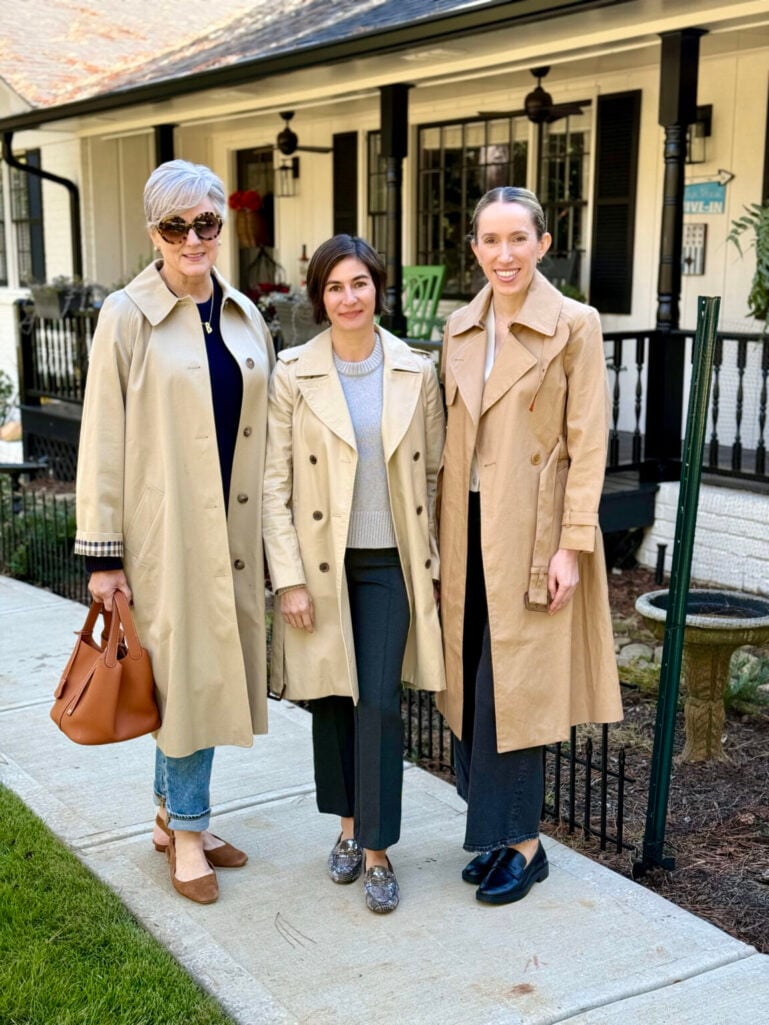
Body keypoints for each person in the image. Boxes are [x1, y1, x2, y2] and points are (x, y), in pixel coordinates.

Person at [74, 159, 275, 905]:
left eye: (207, 223)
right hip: (164, 535)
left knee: (204, 677)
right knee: (188, 681)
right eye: (176, 225)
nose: (193, 238)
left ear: (221, 227)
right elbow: (99, 437)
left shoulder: (243, 312)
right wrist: (103, 555)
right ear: (153, 231)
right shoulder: (126, 315)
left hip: (234, 529)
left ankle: (169, 816)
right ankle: (187, 832)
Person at [437, 186, 623, 905]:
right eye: (490, 239)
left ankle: (524, 844)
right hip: (464, 528)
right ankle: (493, 832)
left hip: (533, 531)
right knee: (469, 682)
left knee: (512, 688)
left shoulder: (573, 324)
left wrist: (571, 545)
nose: (503, 254)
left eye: (518, 238)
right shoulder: (458, 326)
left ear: (543, 244)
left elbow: (588, 439)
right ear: (475, 248)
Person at [262, 234, 445, 914]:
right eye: (335, 286)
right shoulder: (292, 374)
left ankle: (376, 849)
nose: (348, 297)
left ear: (377, 289)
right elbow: (274, 483)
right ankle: (343, 829)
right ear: (319, 297)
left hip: (388, 563)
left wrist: (428, 565)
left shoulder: (414, 370)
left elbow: (433, 473)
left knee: (377, 701)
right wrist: (289, 580)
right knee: (332, 700)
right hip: (319, 563)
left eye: (359, 284)